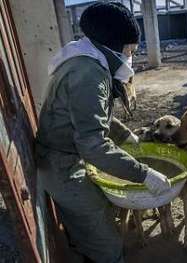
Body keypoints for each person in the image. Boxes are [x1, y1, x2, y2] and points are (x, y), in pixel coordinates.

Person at [35, 3, 170, 262]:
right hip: (62, 165)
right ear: (113, 43)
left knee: (94, 218)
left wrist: (123, 136)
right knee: (107, 243)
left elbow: (85, 118)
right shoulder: (90, 74)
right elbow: (93, 144)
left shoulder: (83, 57)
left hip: (61, 156)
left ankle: (83, 247)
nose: (131, 56)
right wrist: (144, 174)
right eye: (129, 49)